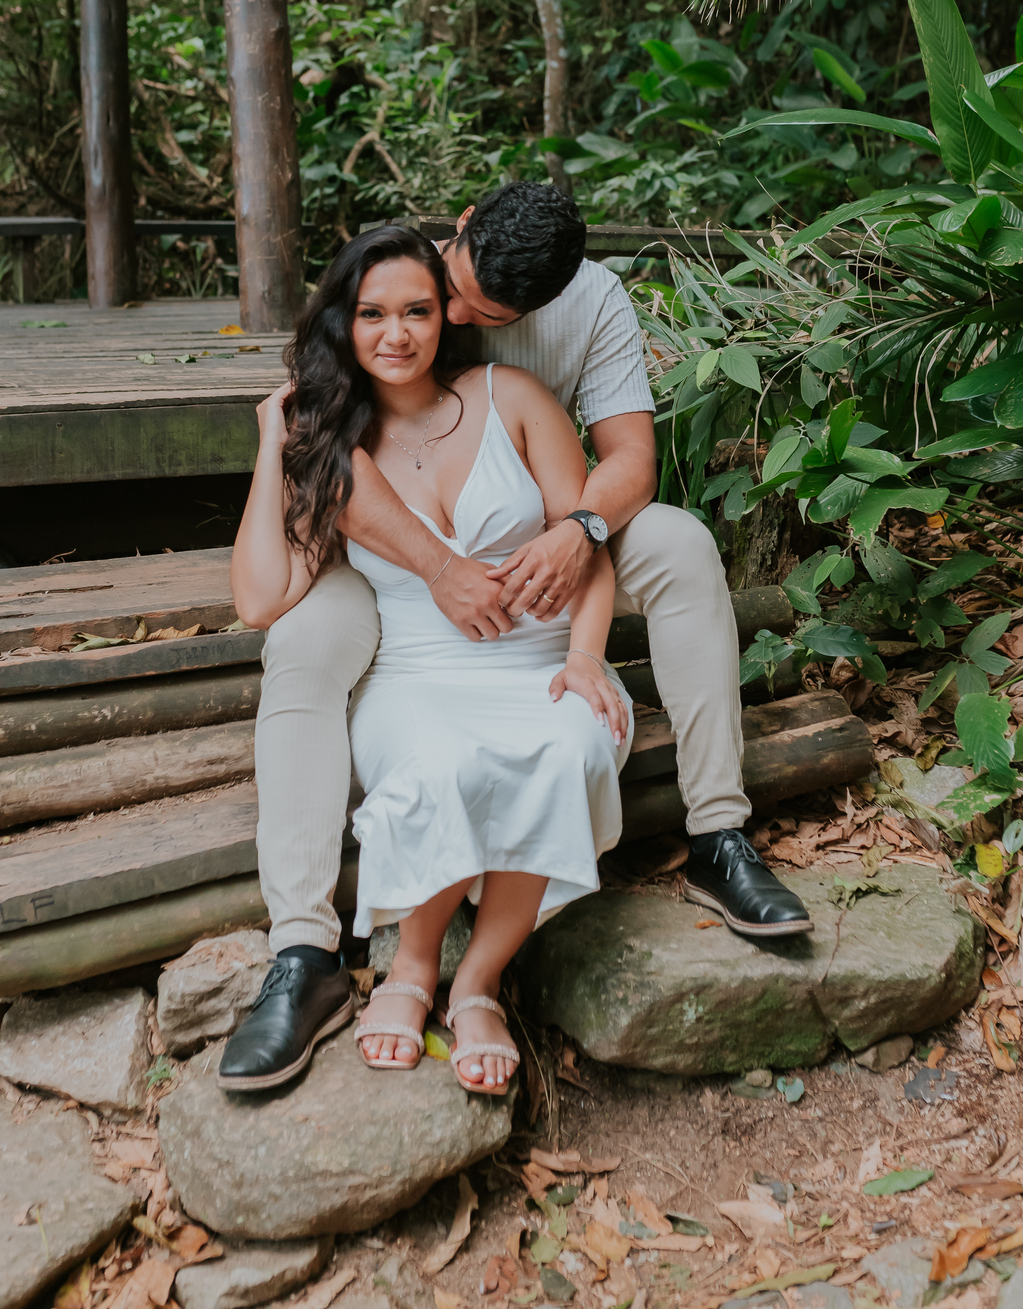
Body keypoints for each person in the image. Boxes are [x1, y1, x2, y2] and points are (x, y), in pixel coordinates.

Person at [218, 182, 811, 1093]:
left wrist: (579, 541)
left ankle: (718, 835)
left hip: (549, 551)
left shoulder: (573, 323)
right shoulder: (365, 358)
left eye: (455, 312)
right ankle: (304, 949)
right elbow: (276, 567)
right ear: (457, 231)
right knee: (299, 642)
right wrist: (292, 448)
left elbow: (631, 460)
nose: (442, 321)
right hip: (395, 590)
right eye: (434, 297)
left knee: (682, 545)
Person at [230, 225, 633, 1093]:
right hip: (414, 674)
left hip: (542, 658)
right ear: (344, 322)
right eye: (372, 313)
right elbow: (261, 598)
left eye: (416, 310)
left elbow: (587, 549)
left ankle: (478, 981)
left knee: (567, 743)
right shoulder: (334, 441)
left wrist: (588, 659)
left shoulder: (511, 396)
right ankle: (412, 968)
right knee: (441, 762)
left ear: (444, 316)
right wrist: (271, 437)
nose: (397, 333)